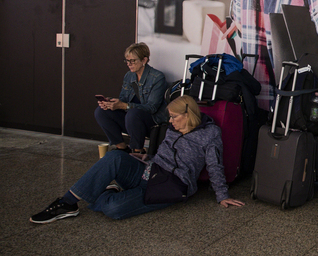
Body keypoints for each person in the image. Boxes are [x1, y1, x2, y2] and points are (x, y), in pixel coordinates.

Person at [30, 96, 245, 224]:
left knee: (113, 210)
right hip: (151, 169)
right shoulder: (173, 128)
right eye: (169, 117)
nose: (170, 121)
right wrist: (148, 157)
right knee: (115, 156)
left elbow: (215, 165)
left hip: (171, 184)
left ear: (188, 115)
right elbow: (166, 151)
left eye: (174, 117)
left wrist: (222, 196)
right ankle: (67, 203)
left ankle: (106, 192)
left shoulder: (210, 134)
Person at [94, 42, 168, 154]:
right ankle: (122, 148)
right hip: (131, 120)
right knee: (101, 111)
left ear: (144, 60)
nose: (129, 64)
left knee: (133, 113)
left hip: (151, 122)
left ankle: (137, 151)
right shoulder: (129, 76)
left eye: (133, 61)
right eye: (127, 61)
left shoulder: (157, 77)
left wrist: (125, 105)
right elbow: (123, 98)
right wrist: (110, 103)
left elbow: (152, 108)